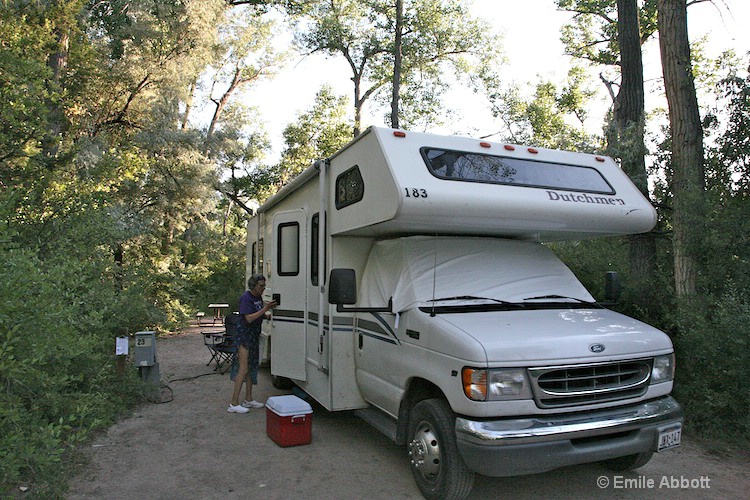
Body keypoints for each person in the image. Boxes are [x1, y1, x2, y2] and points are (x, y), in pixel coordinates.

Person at [227, 274, 277, 414]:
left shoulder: (258, 298)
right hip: (244, 337)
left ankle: (248, 399)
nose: (263, 288)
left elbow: (257, 314)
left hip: (254, 335)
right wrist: (265, 309)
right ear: (253, 285)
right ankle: (233, 403)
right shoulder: (246, 298)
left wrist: (269, 315)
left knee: (251, 367)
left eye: (264, 286)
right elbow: (248, 318)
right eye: (261, 286)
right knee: (243, 369)